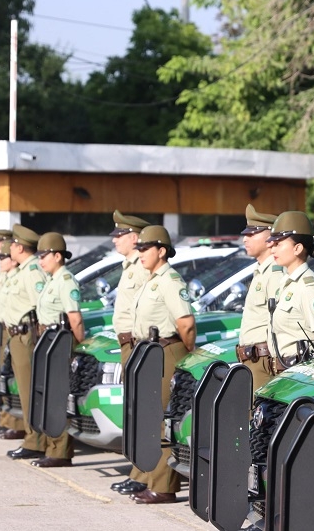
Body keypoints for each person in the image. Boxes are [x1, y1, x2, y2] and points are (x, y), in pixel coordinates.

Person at [129, 225, 196, 504]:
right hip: (150, 352)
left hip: (167, 351)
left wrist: (185, 355)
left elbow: (186, 323)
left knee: (162, 420)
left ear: (162, 250)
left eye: (145, 248)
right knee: (149, 419)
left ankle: (164, 486)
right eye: (139, 248)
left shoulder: (170, 280)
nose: (140, 252)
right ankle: (149, 477)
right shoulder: (152, 278)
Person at [29, 232, 84, 468]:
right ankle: (52, 447)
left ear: (58, 256)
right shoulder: (52, 280)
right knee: (48, 394)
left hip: (61, 341)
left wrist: (78, 348)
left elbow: (75, 319)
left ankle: (60, 451)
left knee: (58, 396)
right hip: (47, 340)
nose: (41, 260)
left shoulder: (66, 281)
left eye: (45, 255)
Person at [106, 211, 152, 495]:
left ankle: (143, 473)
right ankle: (137, 470)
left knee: (142, 411)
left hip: (137, 343)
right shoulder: (129, 266)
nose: (115, 241)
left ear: (134, 238)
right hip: (127, 344)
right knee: (133, 410)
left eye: (119, 235)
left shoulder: (142, 267)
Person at [264, 211, 314, 381]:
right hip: (284, 373)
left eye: (278, 243)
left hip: (300, 376)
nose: (272, 248)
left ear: (298, 248)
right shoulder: (287, 282)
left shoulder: (308, 287)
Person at [4, 224, 48, 460]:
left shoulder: (32, 272)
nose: (9, 247)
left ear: (19, 246)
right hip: (16, 335)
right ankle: (33, 437)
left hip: (26, 335)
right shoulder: (23, 270)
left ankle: (36, 440)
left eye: (12, 243)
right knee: (23, 390)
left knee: (30, 390)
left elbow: (40, 306)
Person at [234, 204, 284, 393]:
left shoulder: (275, 272)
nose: (245, 239)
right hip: (252, 359)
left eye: (252, 233)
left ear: (270, 236)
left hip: (262, 359)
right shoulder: (262, 270)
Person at [0, 229, 28, 439]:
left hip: (18, 331)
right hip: (5, 327)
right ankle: (9, 420)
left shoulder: (22, 274)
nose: (2, 257)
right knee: (8, 377)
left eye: (5, 253)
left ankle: (19, 424)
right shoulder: (7, 274)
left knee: (18, 379)